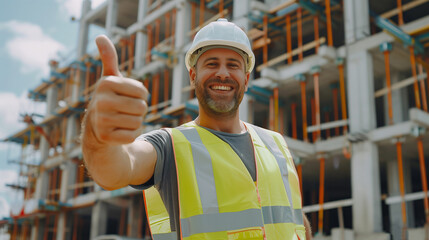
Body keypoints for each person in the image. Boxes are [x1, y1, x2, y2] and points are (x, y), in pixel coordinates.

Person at [82, 18, 311, 240]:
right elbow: (116, 170)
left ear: (246, 78)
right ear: (193, 76)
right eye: (212, 64)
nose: (223, 73)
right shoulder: (169, 145)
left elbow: (294, 218)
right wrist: (98, 134)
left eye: (233, 65)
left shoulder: (275, 143)